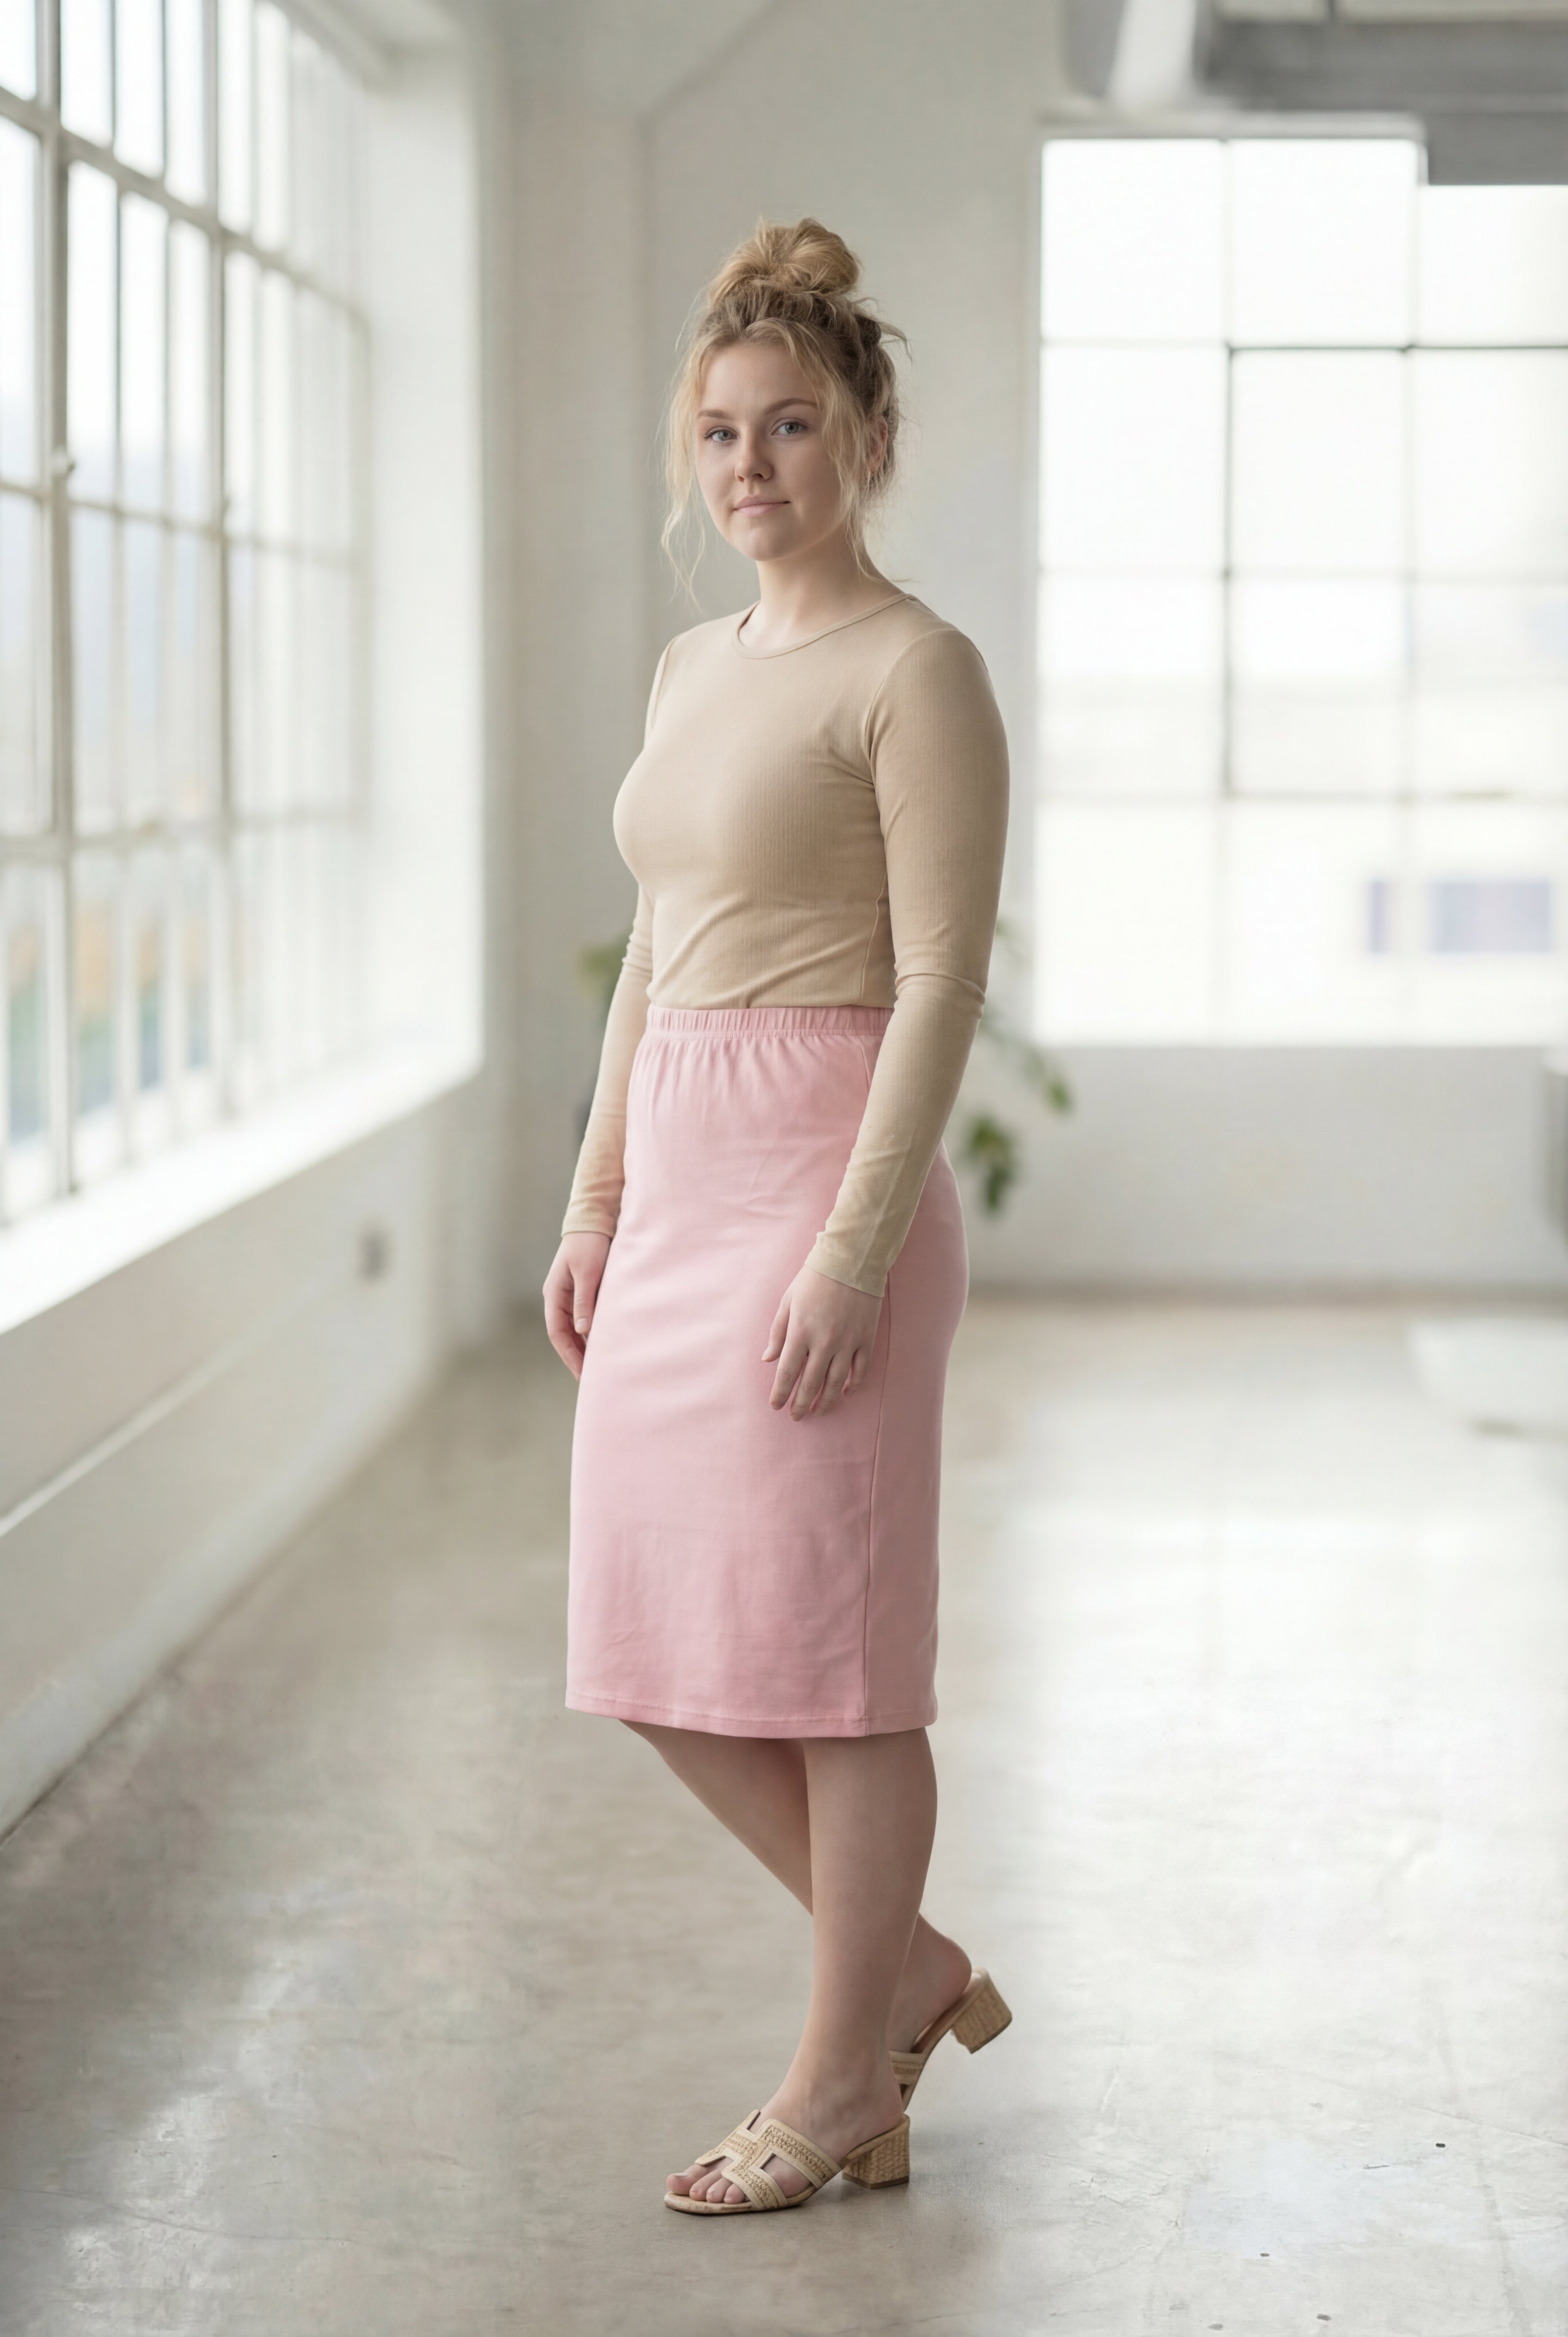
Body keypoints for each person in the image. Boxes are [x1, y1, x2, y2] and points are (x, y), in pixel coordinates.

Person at [542, 218, 1012, 2217]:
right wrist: (595, 1194)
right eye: (720, 434)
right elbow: (658, 952)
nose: (750, 466)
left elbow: (936, 983)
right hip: (675, 1178)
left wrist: (846, 1246)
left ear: (867, 434)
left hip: (827, 1174)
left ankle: (839, 2083)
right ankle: (901, 1978)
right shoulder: (685, 665)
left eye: (791, 426)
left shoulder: (917, 671)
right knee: (647, 1642)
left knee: (833, 1664)